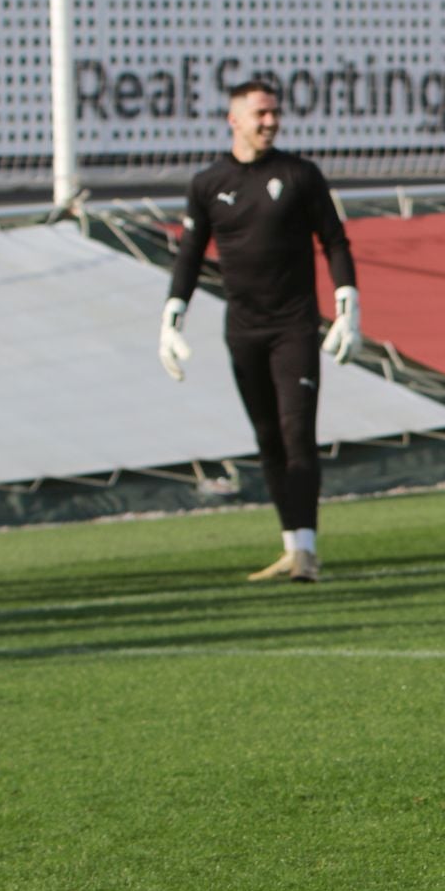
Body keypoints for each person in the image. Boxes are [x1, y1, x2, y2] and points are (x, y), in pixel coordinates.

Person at [159, 78, 361, 583]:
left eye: (274, 113)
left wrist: (347, 304)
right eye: (260, 114)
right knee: (268, 438)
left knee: (297, 434)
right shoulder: (208, 184)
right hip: (242, 329)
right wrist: (171, 316)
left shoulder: (299, 175)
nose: (270, 121)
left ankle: (308, 553)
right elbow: (189, 253)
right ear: (235, 119)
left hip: (293, 325)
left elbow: (335, 241)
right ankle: (292, 545)